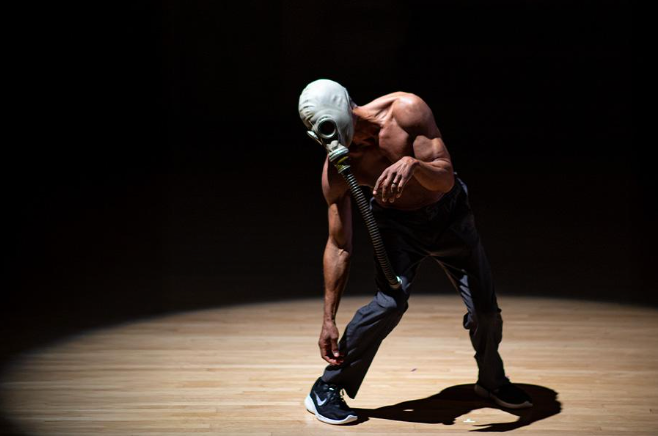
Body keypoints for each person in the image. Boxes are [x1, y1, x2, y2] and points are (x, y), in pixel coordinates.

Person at [298, 79, 532, 425]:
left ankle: (492, 380)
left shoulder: (406, 111)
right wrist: (328, 319)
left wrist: (414, 166)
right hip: (397, 228)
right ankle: (327, 388)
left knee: (485, 312)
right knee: (389, 304)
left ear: (345, 110)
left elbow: (446, 178)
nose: (334, 141)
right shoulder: (338, 168)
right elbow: (340, 245)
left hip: (449, 217)